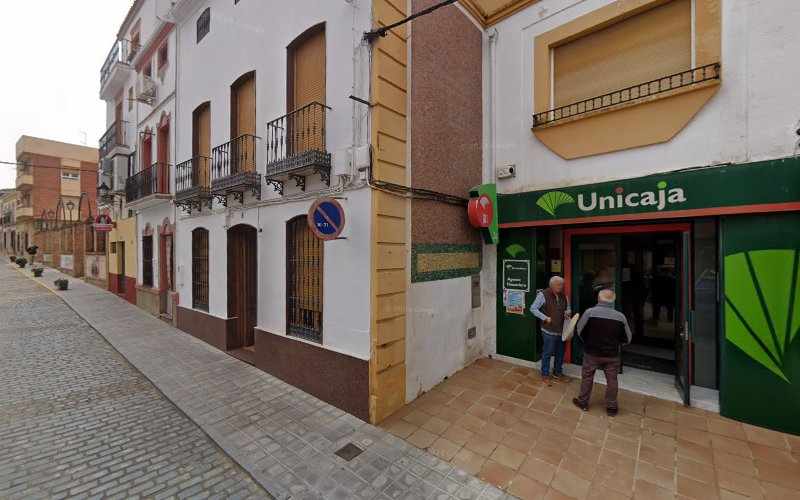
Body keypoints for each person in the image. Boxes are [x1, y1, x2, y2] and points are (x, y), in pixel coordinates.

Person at [572, 289, 632, 416]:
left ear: (598, 299)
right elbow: (628, 338)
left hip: (591, 353)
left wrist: (588, 342)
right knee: (612, 380)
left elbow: (580, 330)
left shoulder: (590, 313)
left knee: (587, 377)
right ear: (613, 300)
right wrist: (616, 345)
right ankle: (611, 407)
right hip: (612, 355)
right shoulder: (620, 317)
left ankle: (583, 402)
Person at [530, 276, 571, 385]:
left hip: (561, 330)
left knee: (560, 353)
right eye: (559, 285)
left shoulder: (563, 296)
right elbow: (533, 308)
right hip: (548, 330)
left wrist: (567, 313)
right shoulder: (542, 295)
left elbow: (568, 308)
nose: (561, 287)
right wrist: (545, 318)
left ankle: (557, 373)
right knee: (547, 353)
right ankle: (545, 374)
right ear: (552, 285)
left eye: (562, 285)